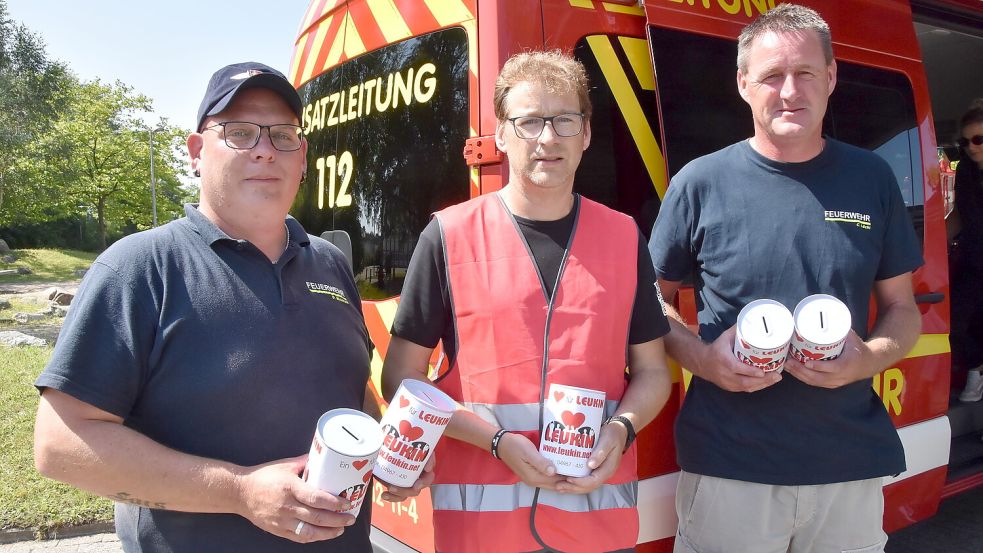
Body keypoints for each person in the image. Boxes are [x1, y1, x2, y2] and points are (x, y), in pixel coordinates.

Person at [33, 62, 430, 553]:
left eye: (283, 135)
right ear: (197, 152)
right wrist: (239, 491)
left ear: (302, 156)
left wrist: (386, 453)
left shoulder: (329, 263)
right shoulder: (139, 268)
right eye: (240, 133)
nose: (265, 149)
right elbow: (61, 446)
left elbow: (352, 395)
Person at [648, 5, 923, 553]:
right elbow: (649, 304)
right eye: (772, 76)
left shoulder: (871, 178)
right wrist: (703, 359)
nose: (789, 90)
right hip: (731, 469)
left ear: (832, 78)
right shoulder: (699, 182)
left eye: (806, 73)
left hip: (847, 467)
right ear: (744, 84)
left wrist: (868, 358)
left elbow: (903, 309)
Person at [381, 50, 673, 553]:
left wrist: (622, 429)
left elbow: (652, 372)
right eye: (529, 121)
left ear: (585, 134)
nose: (547, 138)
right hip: (483, 531)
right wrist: (493, 440)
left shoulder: (625, 237)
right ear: (501, 134)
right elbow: (399, 379)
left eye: (564, 121)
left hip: (595, 522)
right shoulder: (448, 236)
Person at [947, 99, 983, 401]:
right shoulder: (966, 173)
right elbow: (958, 214)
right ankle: (976, 368)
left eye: (979, 139)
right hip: (974, 263)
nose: (972, 147)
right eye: (966, 140)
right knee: (954, 323)